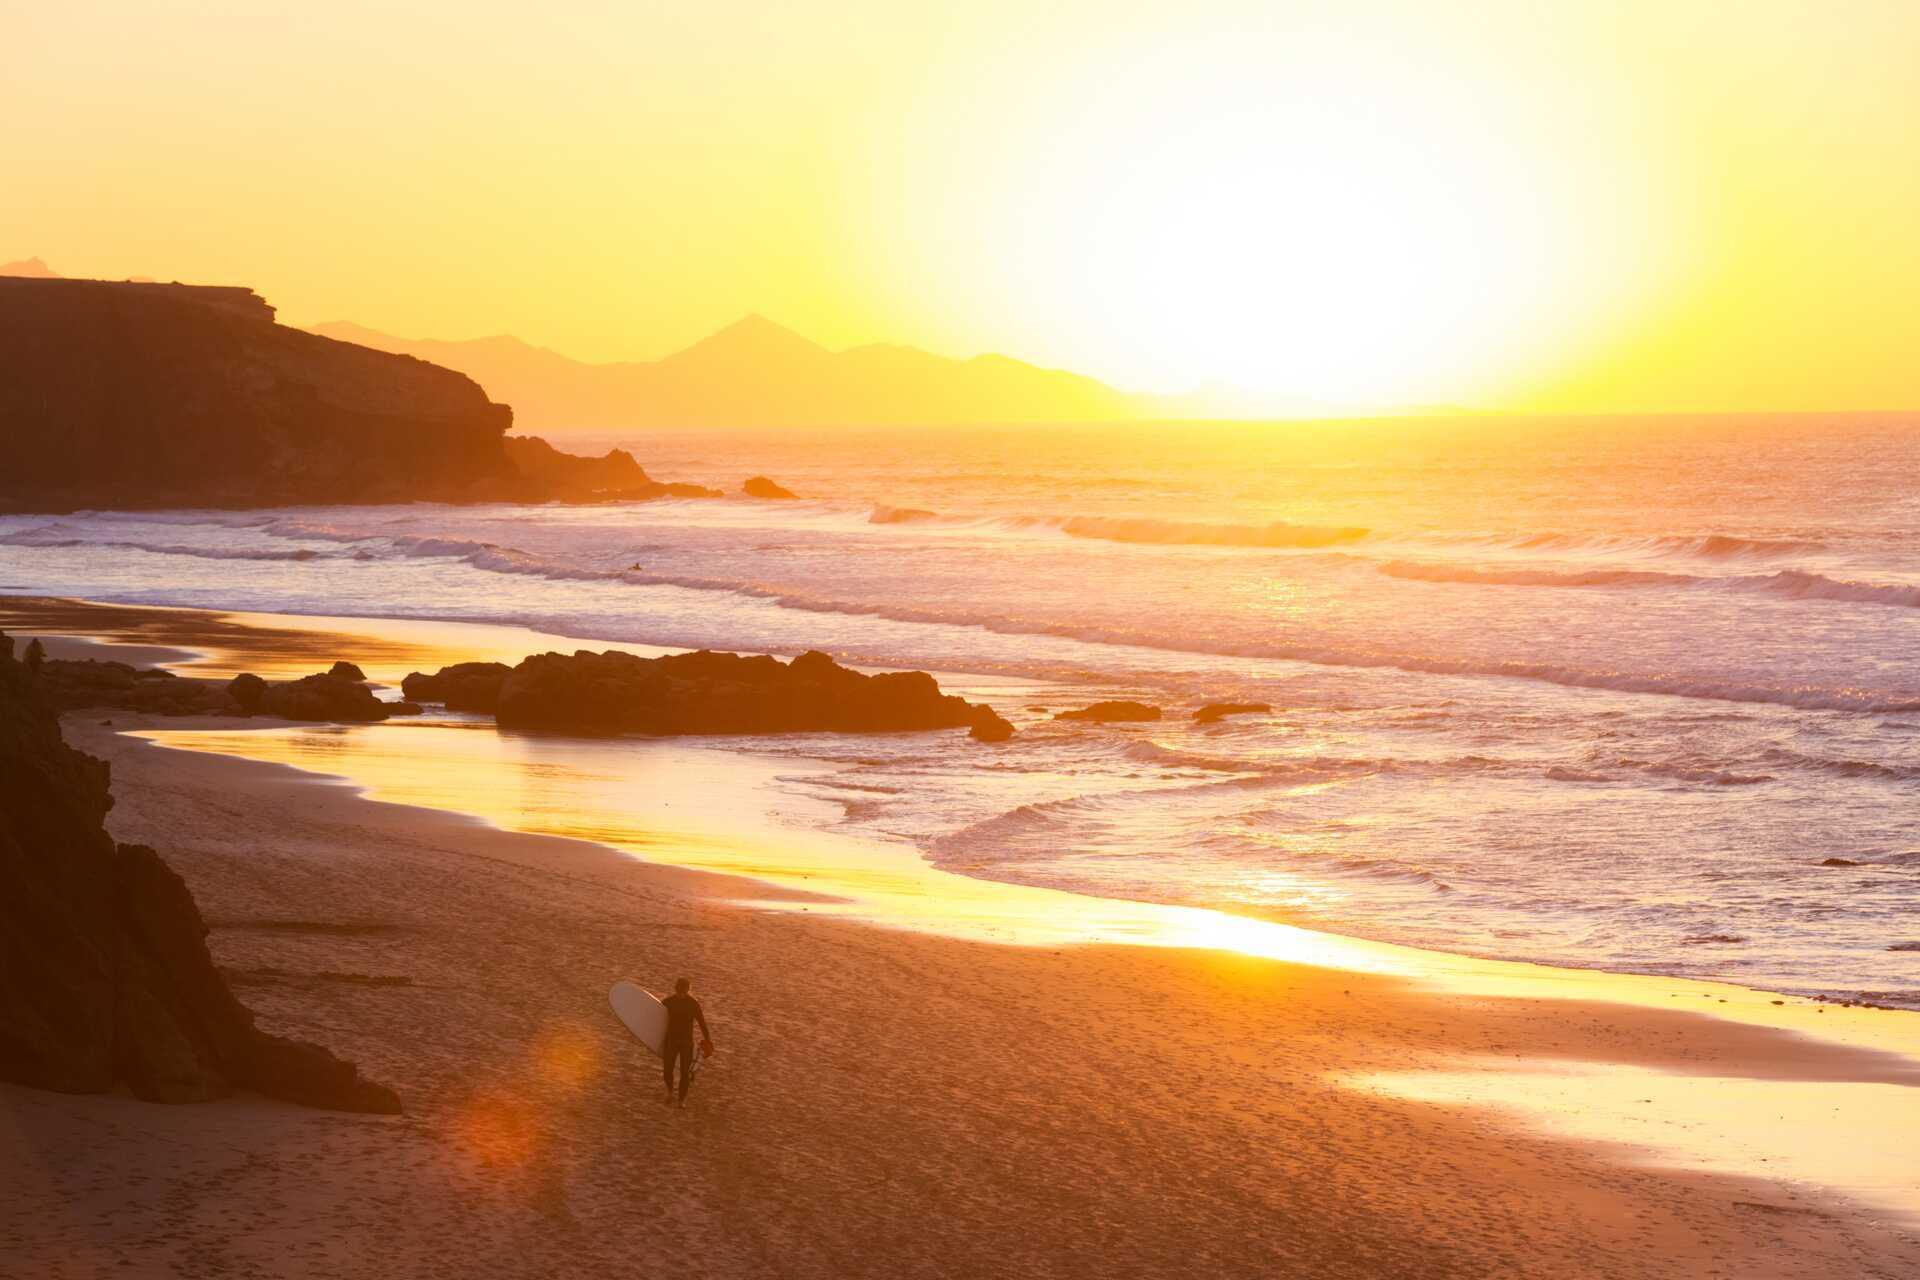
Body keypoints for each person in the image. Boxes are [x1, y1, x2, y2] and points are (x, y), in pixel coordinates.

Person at [660, 977, 712, 1106]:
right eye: (678, 992)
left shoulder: (693, 1004)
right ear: (675, 989)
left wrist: (708, 1040)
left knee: (685, 1073)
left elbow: (702, 1023)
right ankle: (670, 1092)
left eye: (683, 992)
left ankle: (681, 1100)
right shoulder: (669, 1001)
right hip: (670, 1040)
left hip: (686, 1043)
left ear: (688, 990)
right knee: (667, 1070)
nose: (680, 994)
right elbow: (655, 1014)